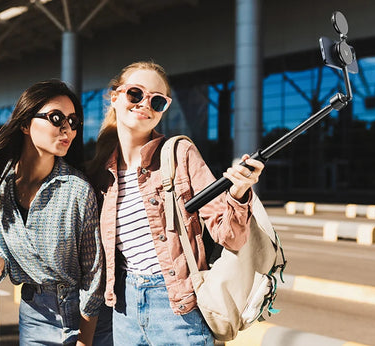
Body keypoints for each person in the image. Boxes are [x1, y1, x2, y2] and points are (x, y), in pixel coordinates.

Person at [86, 61, 265, 345]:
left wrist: (239, 192)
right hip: (123, 308)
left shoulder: (179, 153)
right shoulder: (100, 171)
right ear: (116, 96)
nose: (145, 104)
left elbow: (229, 235)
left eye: (157, 101)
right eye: (135, 94)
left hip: (178, 309)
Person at [0, 80, 104, 346]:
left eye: (73, 121)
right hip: (33, 315)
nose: (68, 129)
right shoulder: (2, 188)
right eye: (56, 118)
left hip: (82, 317)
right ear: (25, 124)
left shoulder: (78, 190)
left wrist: (84, 341)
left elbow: (94, 274)